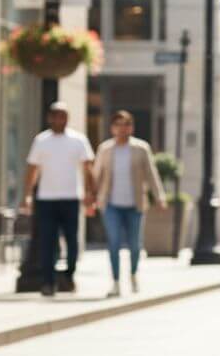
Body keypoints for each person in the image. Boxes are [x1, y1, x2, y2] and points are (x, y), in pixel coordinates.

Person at [21, 102, 95, 297]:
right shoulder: (41, 140)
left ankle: (69, 275)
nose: (58, 120)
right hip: (46, 199)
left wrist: (90, 194)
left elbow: (88, 169)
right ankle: (48, 282)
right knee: (47, 242)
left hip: (71, 198)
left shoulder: (78, 140)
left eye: (62, 116)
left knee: (72, 242)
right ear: (49, 118)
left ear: (67, 118)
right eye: (55, 116)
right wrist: (27, 195)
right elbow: (32, 170)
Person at [92, 110, 166, 298]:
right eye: (118, 124)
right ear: (112, 128)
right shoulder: (105, 149)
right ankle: (116, 282)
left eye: (126, 124)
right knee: (114, 242)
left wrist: (159, 196)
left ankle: (133, 274)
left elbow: (151, 174)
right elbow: (96, 176)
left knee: (134, 245)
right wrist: (90, 197)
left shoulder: (141, 148)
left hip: (135, 204)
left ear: (131, 127)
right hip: (110, 204)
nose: (122, 128)